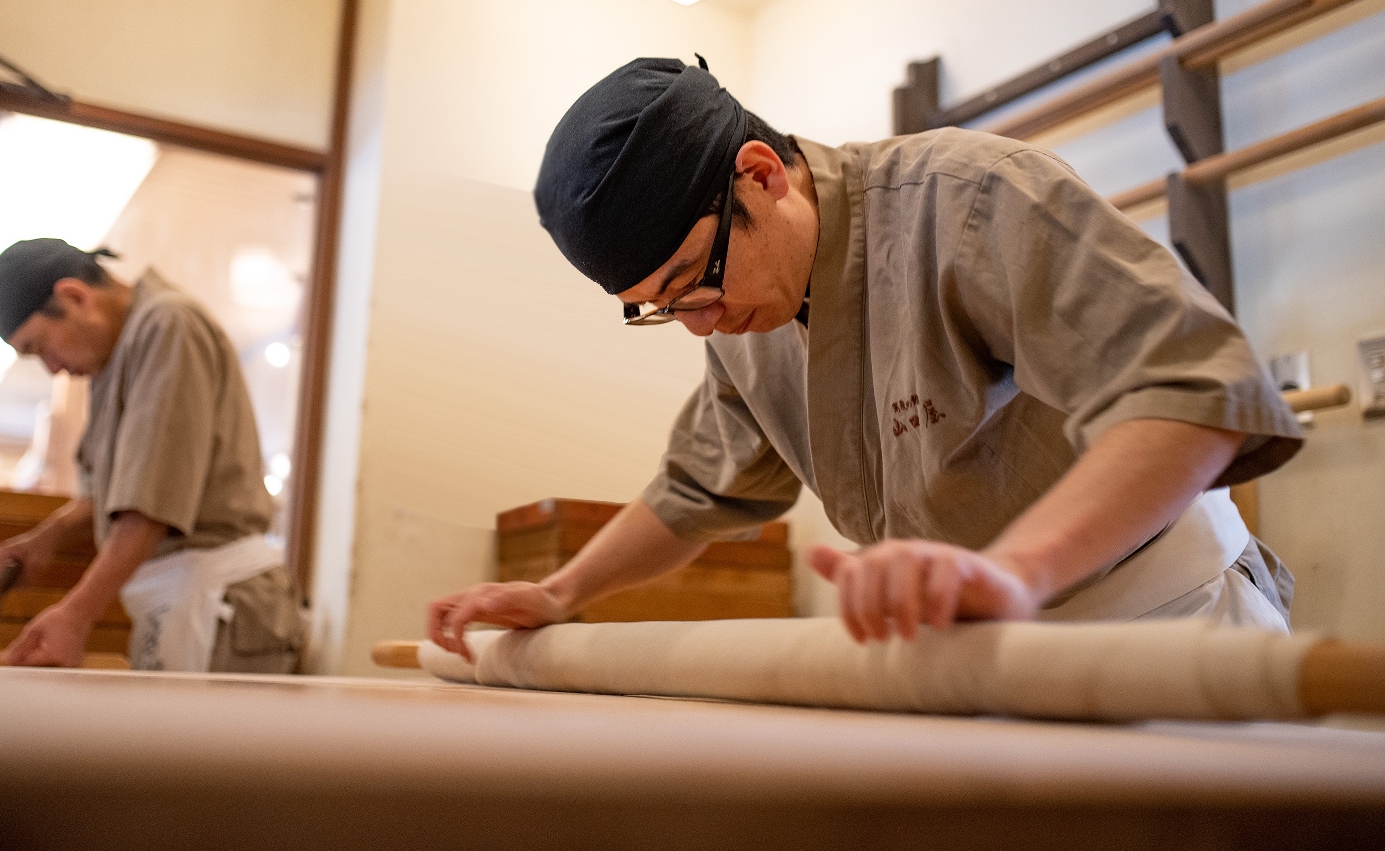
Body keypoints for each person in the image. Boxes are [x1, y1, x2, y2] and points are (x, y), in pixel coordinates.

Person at [428, 56, 1303, 659]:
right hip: (988, 653)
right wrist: (559, 593)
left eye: (695, 279)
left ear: (762, 175)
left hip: (1166, 620)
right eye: (659, 307)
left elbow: (1192, 394)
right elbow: (699, 491)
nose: (698, 324)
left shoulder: (967, 199)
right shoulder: (744, 317)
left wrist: (1010, 574)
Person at [0, 239, 304, 672]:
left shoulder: (168, 324)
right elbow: (111, 493)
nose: (52, 368)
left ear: (74, 297)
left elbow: (151, 504)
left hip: (224, 604)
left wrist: (76, 614)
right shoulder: (110, 355)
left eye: (39, 346)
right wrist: (46, 538)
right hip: (175, 597)